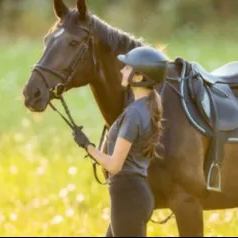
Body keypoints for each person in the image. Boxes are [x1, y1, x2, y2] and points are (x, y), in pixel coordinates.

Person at [72, 46, 169, 237]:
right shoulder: (146, 107)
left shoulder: (134, 113)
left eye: (127, 68)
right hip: (135, 196)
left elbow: (114, 166)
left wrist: (87, 146)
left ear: (139, 77)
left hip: (128, 198)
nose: (121, 70)